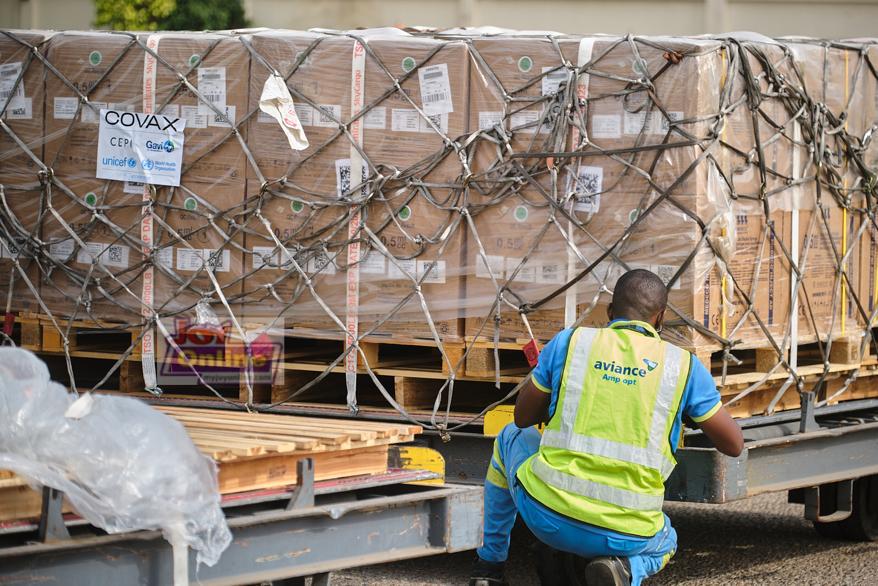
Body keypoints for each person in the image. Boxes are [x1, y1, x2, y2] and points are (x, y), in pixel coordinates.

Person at [470, 269, 744, 586]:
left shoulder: (571, 342)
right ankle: (627, 570)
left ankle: (488, 570)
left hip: (548, 517)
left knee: (509, 437)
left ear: (610, 312)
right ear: (660, 318)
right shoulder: (681, 367)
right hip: (628, 532)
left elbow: (522, 418)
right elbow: (733, 445)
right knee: (666, 542)